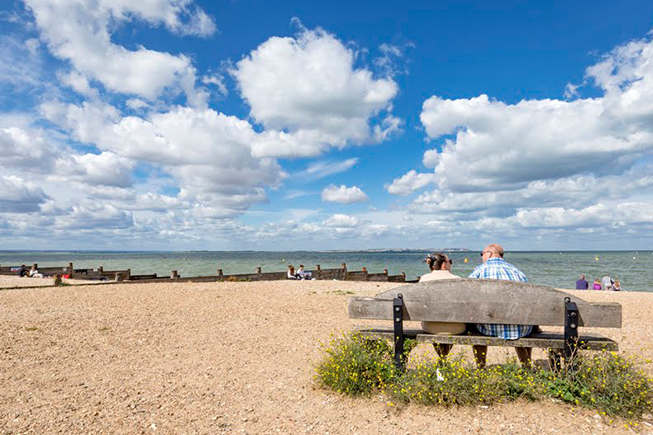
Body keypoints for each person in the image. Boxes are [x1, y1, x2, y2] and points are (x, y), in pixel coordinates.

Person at [468, 244, 532, 368]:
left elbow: (467, 296)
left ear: (489, 254)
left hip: (488, 328)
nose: (481, 258)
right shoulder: (517, 272)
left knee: (475, 321)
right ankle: (526, 366)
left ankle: (481, 366)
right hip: (521, 329)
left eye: (482, 254)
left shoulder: (479, 271)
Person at [419, 253, 465, 359]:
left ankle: (442, 358)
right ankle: (443, 358)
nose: (451, 265)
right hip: (456, 328)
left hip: (430, 326)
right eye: (450, 262)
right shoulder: (457, 279)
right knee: (451, 323)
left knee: (437, 321)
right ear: (444, 264)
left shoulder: (424, 279)